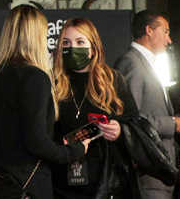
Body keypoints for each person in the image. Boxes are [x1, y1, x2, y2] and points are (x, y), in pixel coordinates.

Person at [0, 5, 88, 199]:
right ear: (38, 37)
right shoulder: (35, 78)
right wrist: (74, 151)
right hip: (27, 186)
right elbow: (36, 143)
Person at [115, 11, 180, 199]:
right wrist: (172, 124)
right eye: (165, 32)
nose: (169, 40)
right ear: (149, 30)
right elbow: (132, 120)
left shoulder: (144, 64)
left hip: (158, 171)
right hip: (148, 170)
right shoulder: (132, 63)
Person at [52, 17, 139, 199]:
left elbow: (136, 125)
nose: (73, 47)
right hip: (62, 185)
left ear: (93, 48)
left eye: (80, 42)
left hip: (107, 183)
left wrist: (120, 132)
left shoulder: (113, 81)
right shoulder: (53, 84)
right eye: (66, 42)